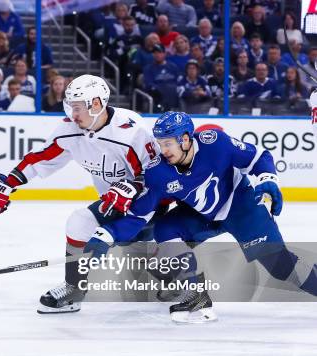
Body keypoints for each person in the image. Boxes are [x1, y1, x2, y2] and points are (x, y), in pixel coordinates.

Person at [86, 111, 317, 322]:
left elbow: (258, 157)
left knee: (281, 267)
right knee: (165, 230)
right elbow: (139, 215)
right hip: (202, 216)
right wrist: (105, 235)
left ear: (186, 139)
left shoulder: (215, 143)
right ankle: (194, 293)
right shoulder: (158, 171)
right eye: (160, 143)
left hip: (241, 207)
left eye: (168, 143)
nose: (163, 150)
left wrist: (268, 178)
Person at [0, 75, 157, 313]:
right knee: (79, 222)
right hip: (112, 205)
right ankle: (74, 289)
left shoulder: (131, 130)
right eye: (70, 106)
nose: (72, 114)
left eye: (77, 107)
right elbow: (40, 158)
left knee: (154, 252)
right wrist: (7, 184)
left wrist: (132, 189)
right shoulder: (70, 130)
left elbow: (156, 176)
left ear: (96, 104)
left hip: (149, 204)